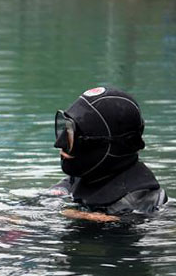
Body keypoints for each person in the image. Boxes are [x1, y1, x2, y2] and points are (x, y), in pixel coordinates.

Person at [50, 86, 167, 220]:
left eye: (72, 133)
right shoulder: (81, 179)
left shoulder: (139, 206)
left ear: (107, 146)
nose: (60, 143)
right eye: (64, 128)